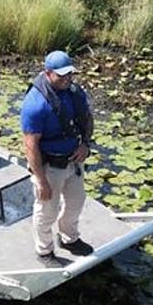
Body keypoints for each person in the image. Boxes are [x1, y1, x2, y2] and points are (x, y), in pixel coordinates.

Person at [21, 50, 95, 262]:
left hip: (73, 160)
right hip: (49, 165)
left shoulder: (74, 92)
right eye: (61, 75)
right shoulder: (35, 105)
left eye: (69, 74)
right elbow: (31, 145)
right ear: (47, 73)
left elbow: (87, 119)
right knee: (47, 211)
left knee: (76, 201)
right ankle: (44, 249)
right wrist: (41, 180)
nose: (66, 79)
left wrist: (86, 145)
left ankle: (69, 237)